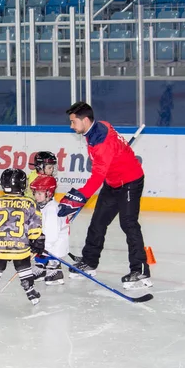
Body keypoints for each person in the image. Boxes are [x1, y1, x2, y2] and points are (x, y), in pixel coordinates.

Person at [58, 102, 152, 290]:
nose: (71, 126)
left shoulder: (102, 144)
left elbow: (96, 177)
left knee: (129, 224)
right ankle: (90, 263)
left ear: (85, 120)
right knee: (98, 222)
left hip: (130, 182)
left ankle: (141, 272)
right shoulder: (99, 127)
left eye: (73, 122)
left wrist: (79, 197)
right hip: (113, 181)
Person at [0, 168, 46, 305]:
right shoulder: (30, 203)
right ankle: (31, 293)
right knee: (23, 265)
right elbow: (35, 226)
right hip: (20, 246)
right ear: (23, 184)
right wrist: (36, 240)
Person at [30, 175, 69, 286]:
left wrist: (40, 245)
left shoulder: (52, 209)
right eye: (35, 193)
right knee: (39, 246)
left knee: (49, 250)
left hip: (56, 243)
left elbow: (52, 235)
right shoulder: (42, 206)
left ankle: (56, 269)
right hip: (46, 241)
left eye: (40, 193)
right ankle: (41, 267)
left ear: (49, 193)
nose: (36, 196)